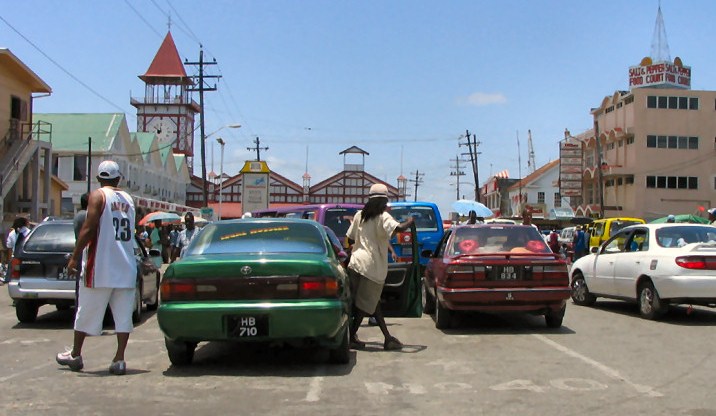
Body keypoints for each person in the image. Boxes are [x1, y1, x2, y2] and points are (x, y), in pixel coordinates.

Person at [56, 160, 136, 375]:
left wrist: (74, 257)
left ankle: (75, 354)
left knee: (86, 311)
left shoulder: (97, 196)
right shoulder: (129, 199)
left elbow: (89, 227)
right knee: (123, 317)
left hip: (101, 266)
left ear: (99, 178)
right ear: (118, 178)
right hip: (126, 266)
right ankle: (119, 359)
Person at [346, 183, 414, 351]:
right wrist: (410, 221)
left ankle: (386, 337)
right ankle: (353, 336)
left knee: (364, 303)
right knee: (366, 305)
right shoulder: (383, 217)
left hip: (355, 263)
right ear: (384, 201)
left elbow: (350, 238)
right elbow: (399, 228)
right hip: (372, 267)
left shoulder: (359, 215)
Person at [72, 192, 89, 304]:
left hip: (80, 250)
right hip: (86, 251)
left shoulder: (78, 215)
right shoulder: (86, 215)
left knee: (80, 282)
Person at [4, 217, 31, 284]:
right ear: (26, 224)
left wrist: (9, 260)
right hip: (26, 259)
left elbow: (9, 248)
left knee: (12, 280)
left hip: (15, 259)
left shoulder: (12, 233)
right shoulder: (30, 233)